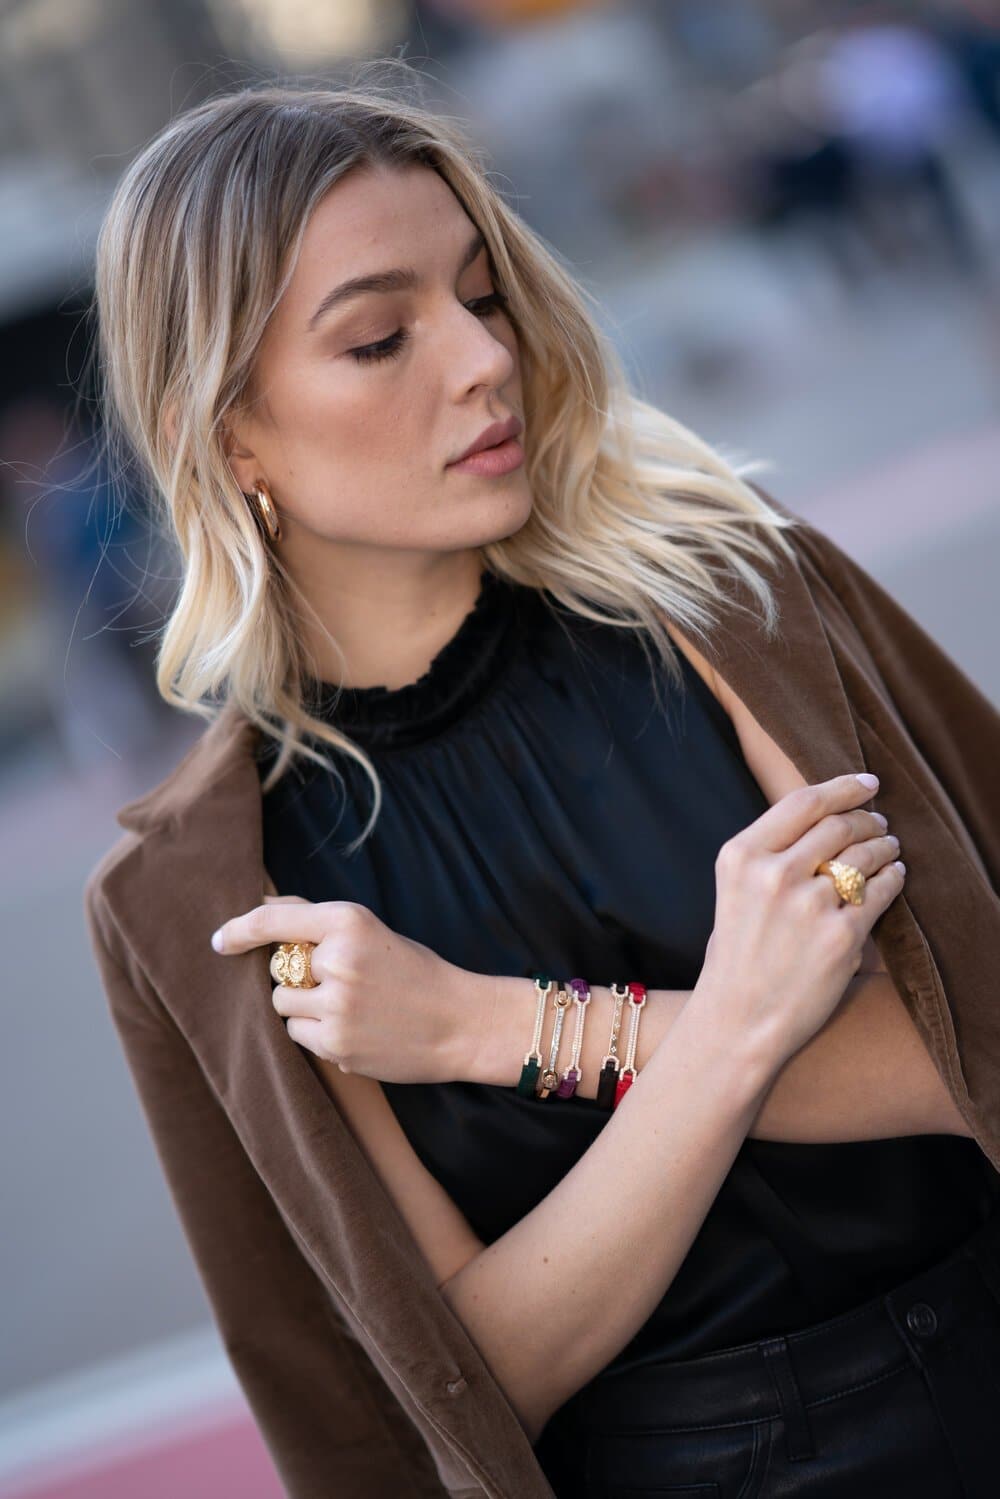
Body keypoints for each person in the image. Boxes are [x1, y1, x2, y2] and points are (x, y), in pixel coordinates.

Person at [84, 69, 1000, 1498]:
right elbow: (471, 1386)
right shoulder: (215, 891)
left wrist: (487, 1027)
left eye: (482, 295)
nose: (480, 359)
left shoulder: (728, 599)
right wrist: (734, 1024)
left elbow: (968, 1058)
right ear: (228, 435)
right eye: (380, 337)